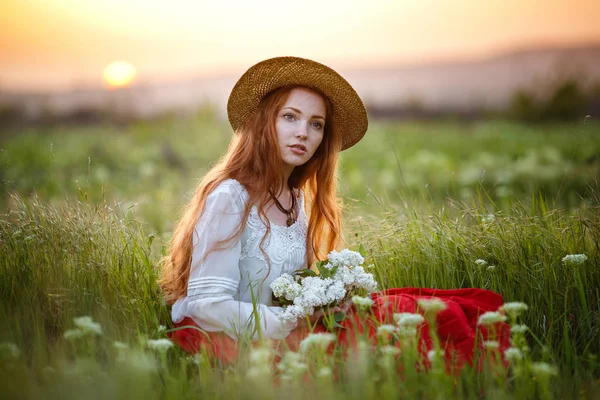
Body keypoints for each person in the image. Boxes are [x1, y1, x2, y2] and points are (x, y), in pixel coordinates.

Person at [160, 56, 509, 367]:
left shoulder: (295, 199)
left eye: (316, 124)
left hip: (295, 328)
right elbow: (206, 305)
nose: (303, 133)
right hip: (239, 336)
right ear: (265, 123)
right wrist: (292, 322)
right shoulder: (230, 197)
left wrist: (329, 300)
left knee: (422, 313)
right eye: (290, 117)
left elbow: (293, 286)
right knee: (390, 336)